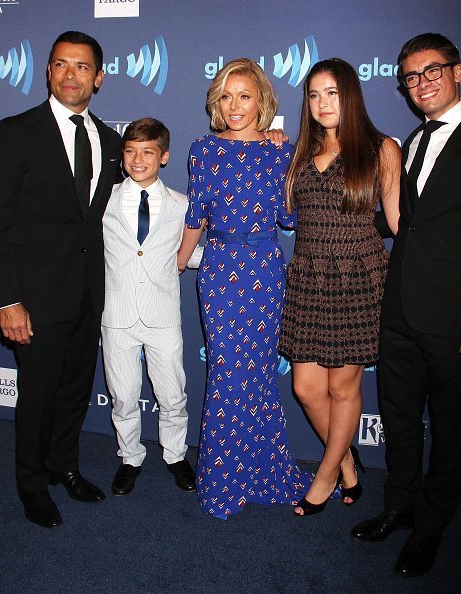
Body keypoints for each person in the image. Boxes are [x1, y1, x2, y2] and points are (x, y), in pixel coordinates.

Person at [350, 33, 461, 577]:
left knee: (452, 425)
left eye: (431, 71)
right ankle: (400, 505)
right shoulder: (408, 143)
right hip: (400, 312)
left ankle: (432, 527)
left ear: (458, 72)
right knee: (399, 417)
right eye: (411, 78)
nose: (421, 84)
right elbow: (396, 222)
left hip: (458, 317)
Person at [0, 31, 123, 528]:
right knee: (38, 396)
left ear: (98, 77)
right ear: (47, 71)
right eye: (61, 64)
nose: (70, 74)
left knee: (73, 391)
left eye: (82, 67)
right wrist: (7, 299)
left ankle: (65, 465)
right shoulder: (16, 131)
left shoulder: (109, 140)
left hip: (88, 292)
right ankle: (31, 483)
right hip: (34, 297)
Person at [177, 58, 312, 519]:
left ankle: (261, 470)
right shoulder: (202, 150)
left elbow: (288, 218)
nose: (234, 105)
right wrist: (175, 264)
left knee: (256, 377)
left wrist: (286, 156)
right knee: (226, 374)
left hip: (265, 272)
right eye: (226, 96)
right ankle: (222, 478)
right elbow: (196, 216)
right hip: (218, 273)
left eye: (245, 96)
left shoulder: (280, 153)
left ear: (262, 101)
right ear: (217, 101)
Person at [279, 59, 401, 516]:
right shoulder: (297, 153)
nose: (322, 103)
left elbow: (398, 223)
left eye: (331, 93)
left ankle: (326, 475)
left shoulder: (381, 148)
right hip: (309, 279)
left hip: (357, 277)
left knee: (344, 389)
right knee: (307, 389)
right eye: (313, 95)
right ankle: (347, 460)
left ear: (349, 94)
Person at [101, 118, 202, 496]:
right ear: (122, 156)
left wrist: (221, 261)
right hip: (117, 315)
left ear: (164, 156)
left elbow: (185, 255)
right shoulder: (104, 200)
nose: (137, 159)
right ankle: (130, 456)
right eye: (130, 151)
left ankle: (175, 455)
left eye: (147, 152)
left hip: (162, 316)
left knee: (172, 392)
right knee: (123, 395)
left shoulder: (182, 205)